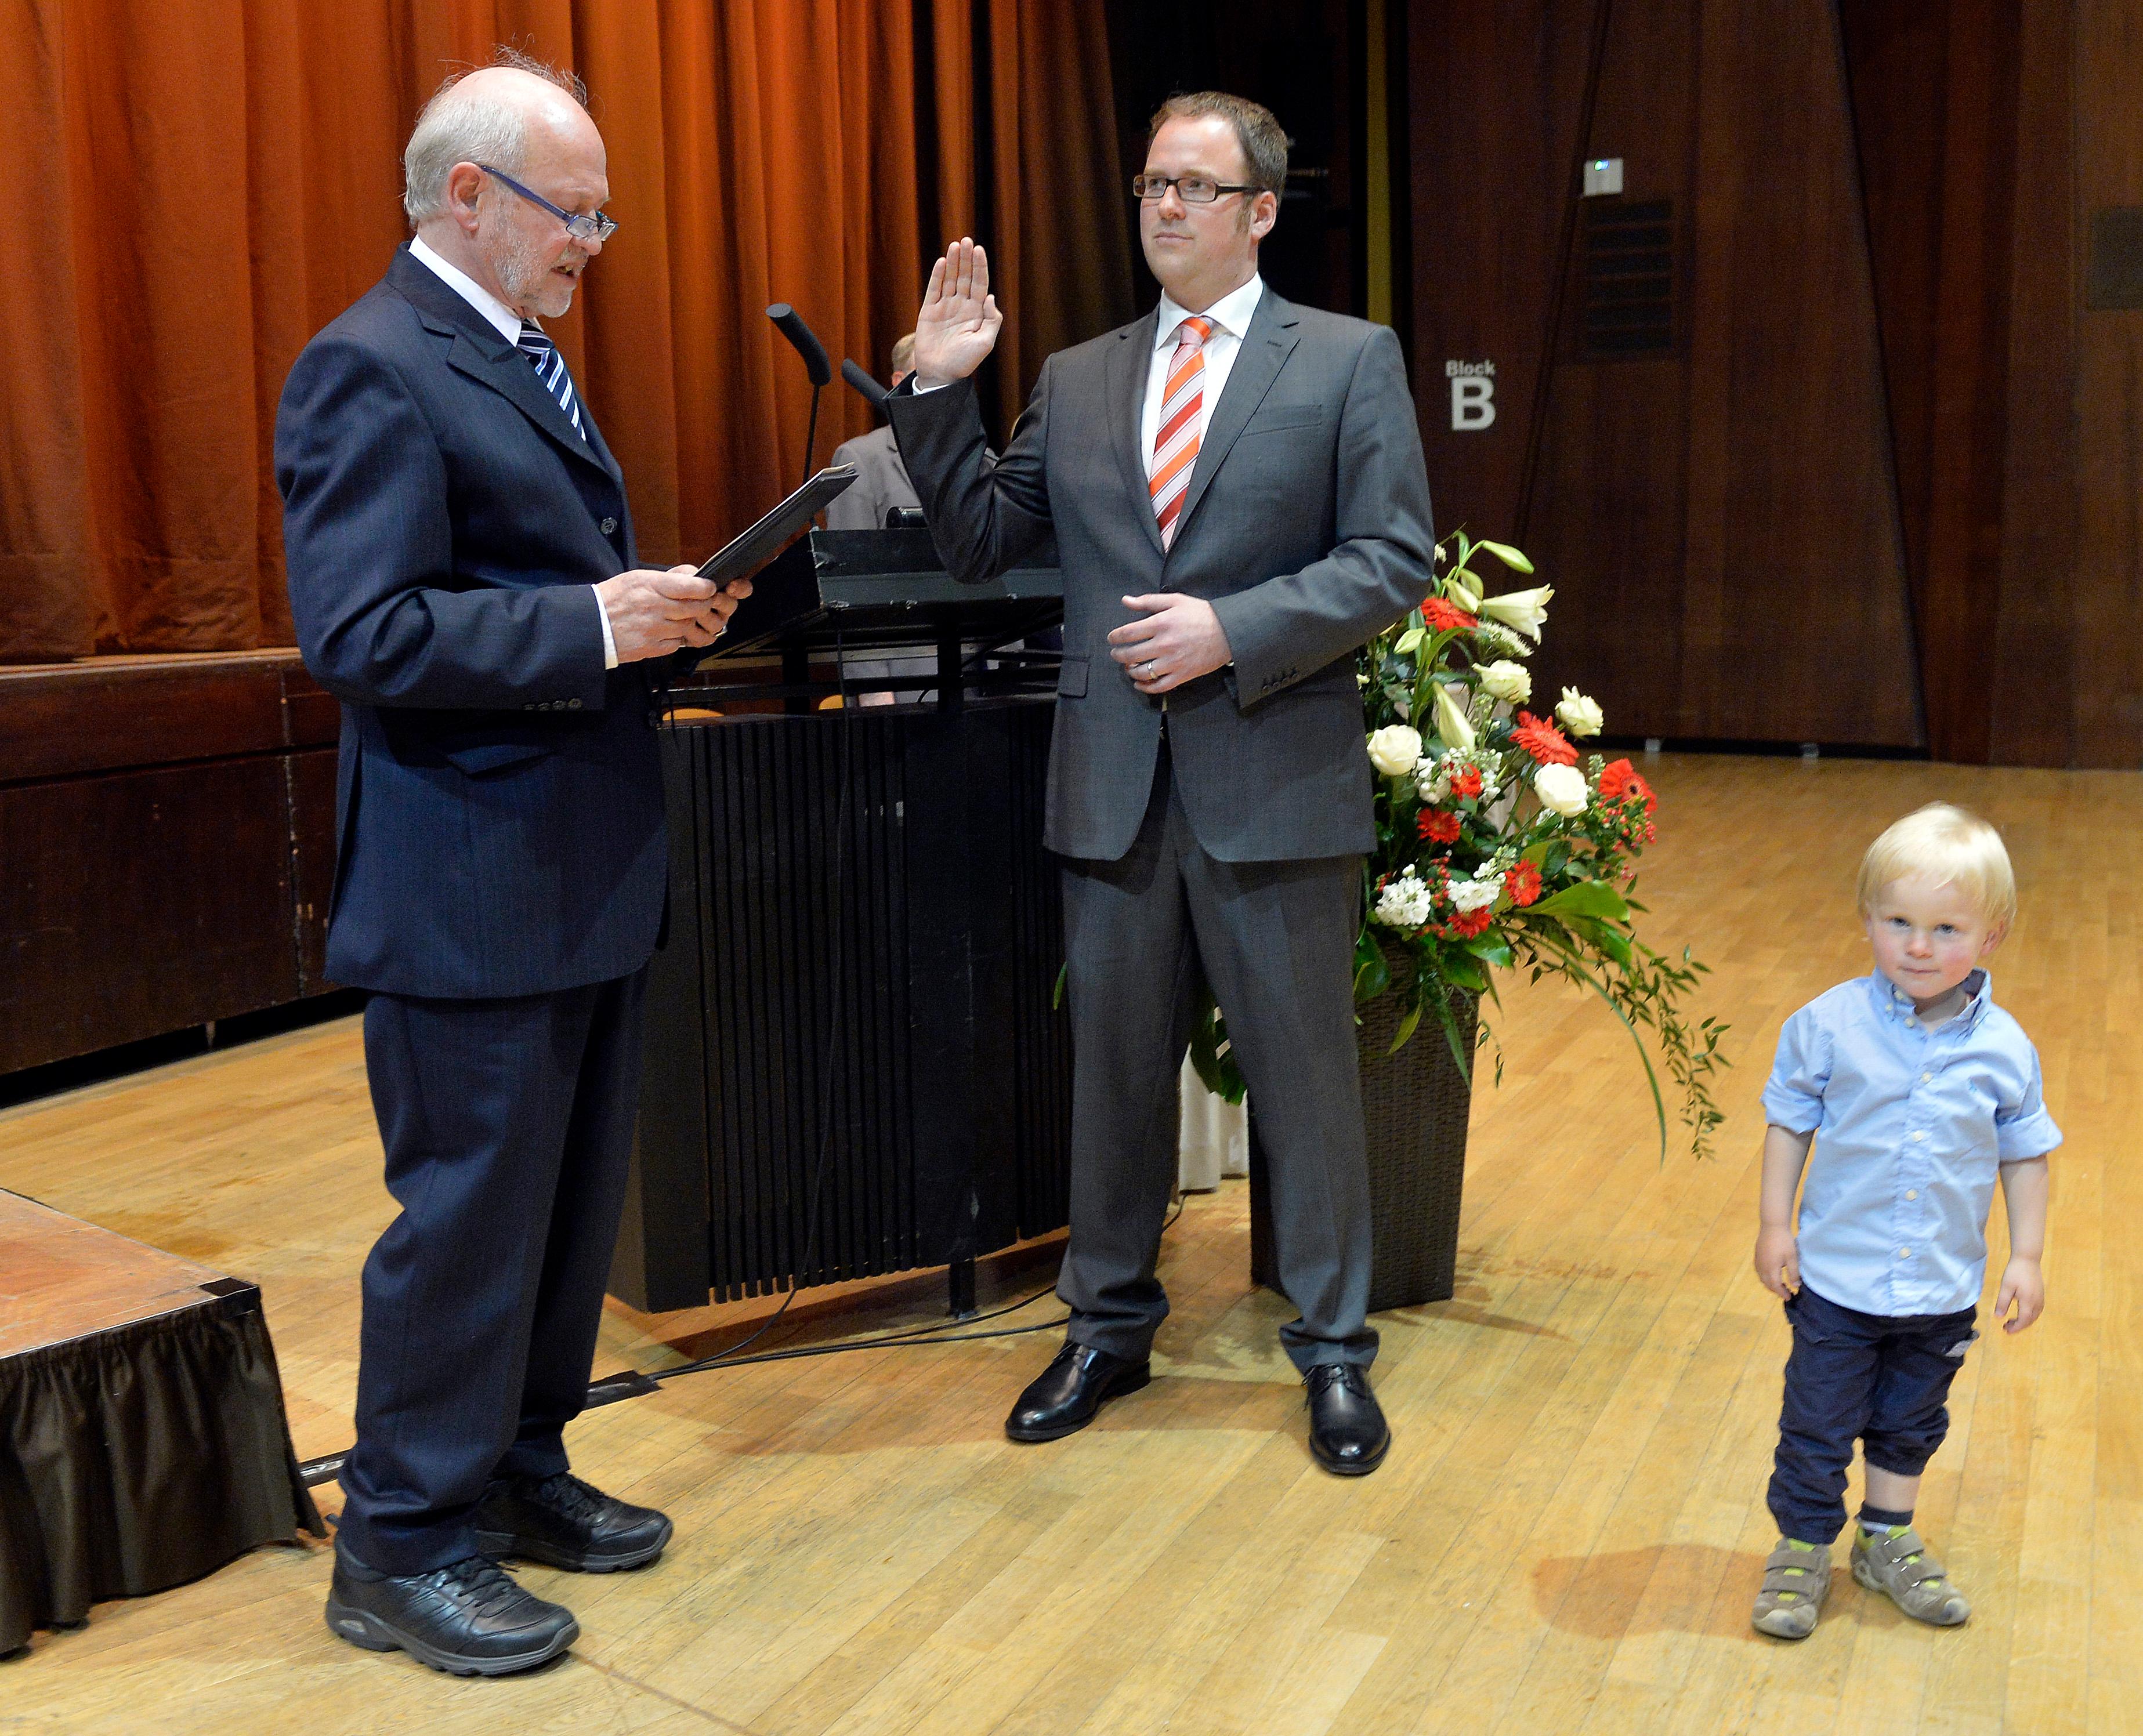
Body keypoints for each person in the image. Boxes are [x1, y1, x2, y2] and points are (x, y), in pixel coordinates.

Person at [275, 52, 748, 1676]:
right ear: (463, 193)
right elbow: (361, 629)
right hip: (468, 886)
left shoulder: (520, 357)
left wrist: (651, 621)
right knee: (468, 1221)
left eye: (601, 217)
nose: (590, 242)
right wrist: (588, 621)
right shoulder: (370, 365)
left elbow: (537, 606)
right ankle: (400, 1544)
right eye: (575, 210)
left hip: (576, 873)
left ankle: (518, 1469)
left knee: (558, 1213)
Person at [887, 92, 1436, 1475]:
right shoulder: (1076, 376)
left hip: (1273, 775)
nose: (1164, 209)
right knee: (1112, 1080)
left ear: (1259, 210)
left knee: (1305, 1084)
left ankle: (1330, 1352)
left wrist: (1230, 628)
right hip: (1114, 785)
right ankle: (1105, 1327)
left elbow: (1391, 557)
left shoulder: (1347, 359)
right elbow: (976, 541)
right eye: (1149, 185)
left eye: (1194, 187)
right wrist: (938, 388)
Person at [1749, 803, 2059, 1640]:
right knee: (1815, 1420)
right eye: (1898, 923)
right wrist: (1775, 1223)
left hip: (1939, 1286)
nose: (1918, 947)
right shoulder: (1825, 1025)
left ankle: (1883, 1538)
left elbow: (2023, 1154)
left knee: (1909, 1419)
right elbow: (1789, 1124)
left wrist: (2024, 1255)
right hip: (1836, 1282)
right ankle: (1802, 1545)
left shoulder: (2005, 1048)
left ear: (1990, 936)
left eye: (1945, 928)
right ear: (1868, 920)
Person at [826, 332, 923, 531]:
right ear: (900, 380)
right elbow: (853, 557)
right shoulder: (858, 458)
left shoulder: (980, 458)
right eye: (931, 373)